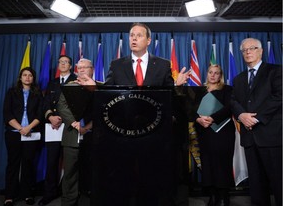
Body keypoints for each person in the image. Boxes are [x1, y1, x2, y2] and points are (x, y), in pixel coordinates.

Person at [76, 22, 191, 206]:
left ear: (148, 40)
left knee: (151, 181)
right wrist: (93, 86)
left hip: (154, 135)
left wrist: (177, 87)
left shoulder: (162, 65)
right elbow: (108, 92)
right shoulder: (117, 64)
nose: (134, 38)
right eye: (131, 35)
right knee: (124, 181)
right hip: (123, 134)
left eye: (139, 35)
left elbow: (168, 96)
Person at [231, 38, 282, 206]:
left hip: (271, 136)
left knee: (279, 182)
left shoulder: (275, 71)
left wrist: (255, 118)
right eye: (244, 50)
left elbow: (279, 97)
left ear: (260, 51)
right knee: (256, 185)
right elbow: (233, 101)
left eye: (252, 48)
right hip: (250, 139)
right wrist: (241, 116)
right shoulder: (238, 79)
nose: (248, 52)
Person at [39, 55, 77, 206]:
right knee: (52, 161)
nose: (62, 64)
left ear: (71, 65)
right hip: (53, 126)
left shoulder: (76, 80)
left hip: (69, 126)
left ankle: (69, 195)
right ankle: (49, 192)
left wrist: (64, 119)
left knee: (70, 163)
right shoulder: (52, 83)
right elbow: (46, 103)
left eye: (65, 62)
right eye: (60, 62)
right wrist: (50, 117)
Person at [195, 64, 235, 206]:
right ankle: (213, 196)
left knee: (222, 164)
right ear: (207, 74)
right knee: (208, 164)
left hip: (223, 132)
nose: (213, 75)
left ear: (220, 75)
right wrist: (198, 119)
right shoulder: (200, 91)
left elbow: (230, 107)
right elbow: (192, 110)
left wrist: (213, 118)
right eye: (210, 72)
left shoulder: (227, 89)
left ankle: (224, 197)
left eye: (216, 73)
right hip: (205, 132)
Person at [3, 67, 43, 206]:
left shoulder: (37, 94)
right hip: (14, 133)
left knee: (28, 164)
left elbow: (40, 114)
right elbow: (7, 114)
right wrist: (21, 128)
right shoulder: (11, 92)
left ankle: (27, 194)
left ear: (33, 78)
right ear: (20, 78)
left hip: (31, 134)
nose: (27, 77)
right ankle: (10, 195)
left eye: (30, 75)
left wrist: (28, 128)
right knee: (13, 164)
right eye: (24, 75)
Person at [57, 58, 94, 206]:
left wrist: (88, 126)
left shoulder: (98, 87)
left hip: (93, 136)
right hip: (72, 134)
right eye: (80, 68)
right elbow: (61, 106)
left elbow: (103, 108)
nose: (83, 70)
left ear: (92, 69)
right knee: (70, 171)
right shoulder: (69, 86)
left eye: (86, 67)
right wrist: (75, 123)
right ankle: (69, 201)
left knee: (92, 170)